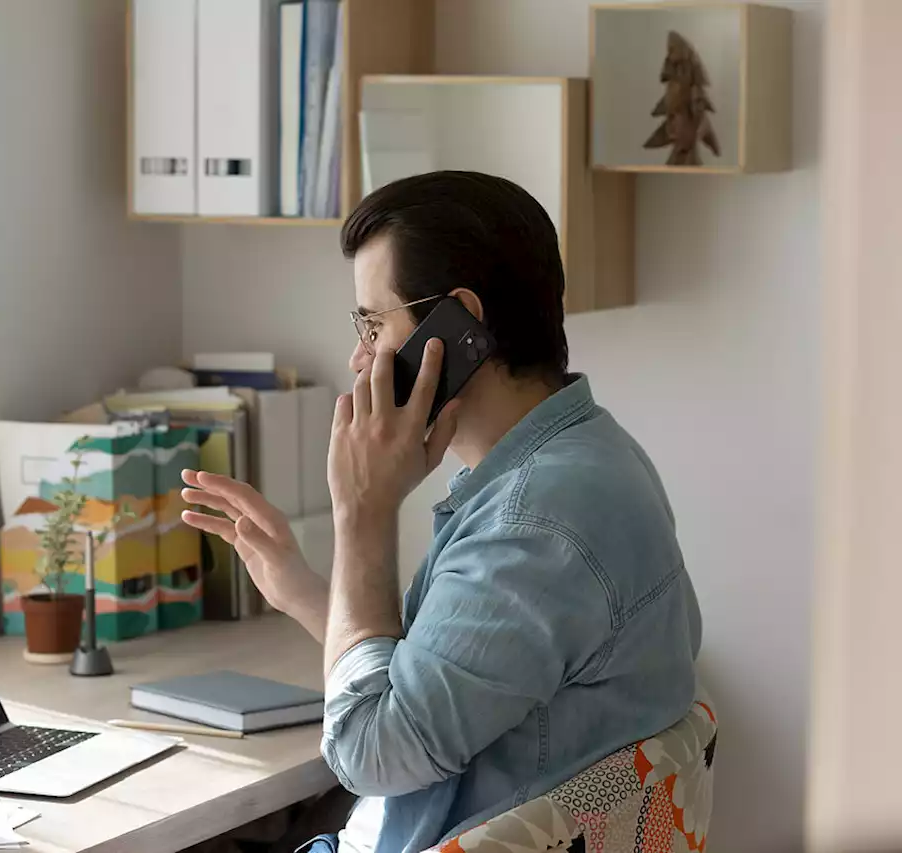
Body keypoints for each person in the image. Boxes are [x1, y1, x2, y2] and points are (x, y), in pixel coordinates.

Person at [180, 171, 702, 853]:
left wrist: (361, 511)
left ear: (457, 326)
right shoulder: (588, 458)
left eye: (372, 323)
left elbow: (368, 754)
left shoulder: (534, 520)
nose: (358, 357)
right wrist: (307, 592)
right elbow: (436, 683)